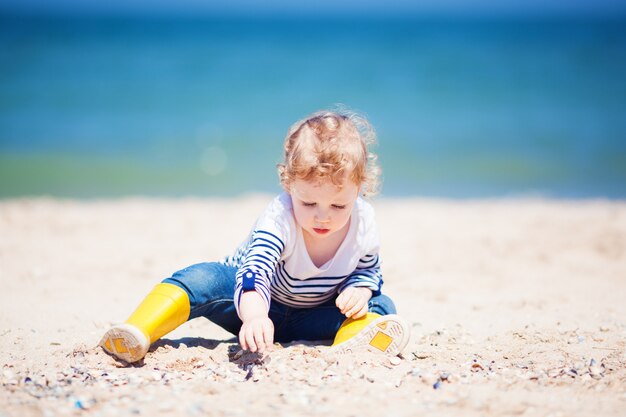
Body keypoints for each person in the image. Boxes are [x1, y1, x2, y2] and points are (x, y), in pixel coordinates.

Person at [99, 108, 409, 364]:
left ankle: (349, 342)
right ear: (289, 185)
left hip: (317, 313)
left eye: (339, 204)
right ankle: (136, 330)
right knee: (202, 277)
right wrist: (256, 316)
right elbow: (253, 273)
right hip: (254, 305)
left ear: (360, 188)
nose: (322, 215)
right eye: (309, 202)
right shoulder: (279, 219)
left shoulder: (364, 222)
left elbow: (369, 271)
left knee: (382, 305)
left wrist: (360, 291)